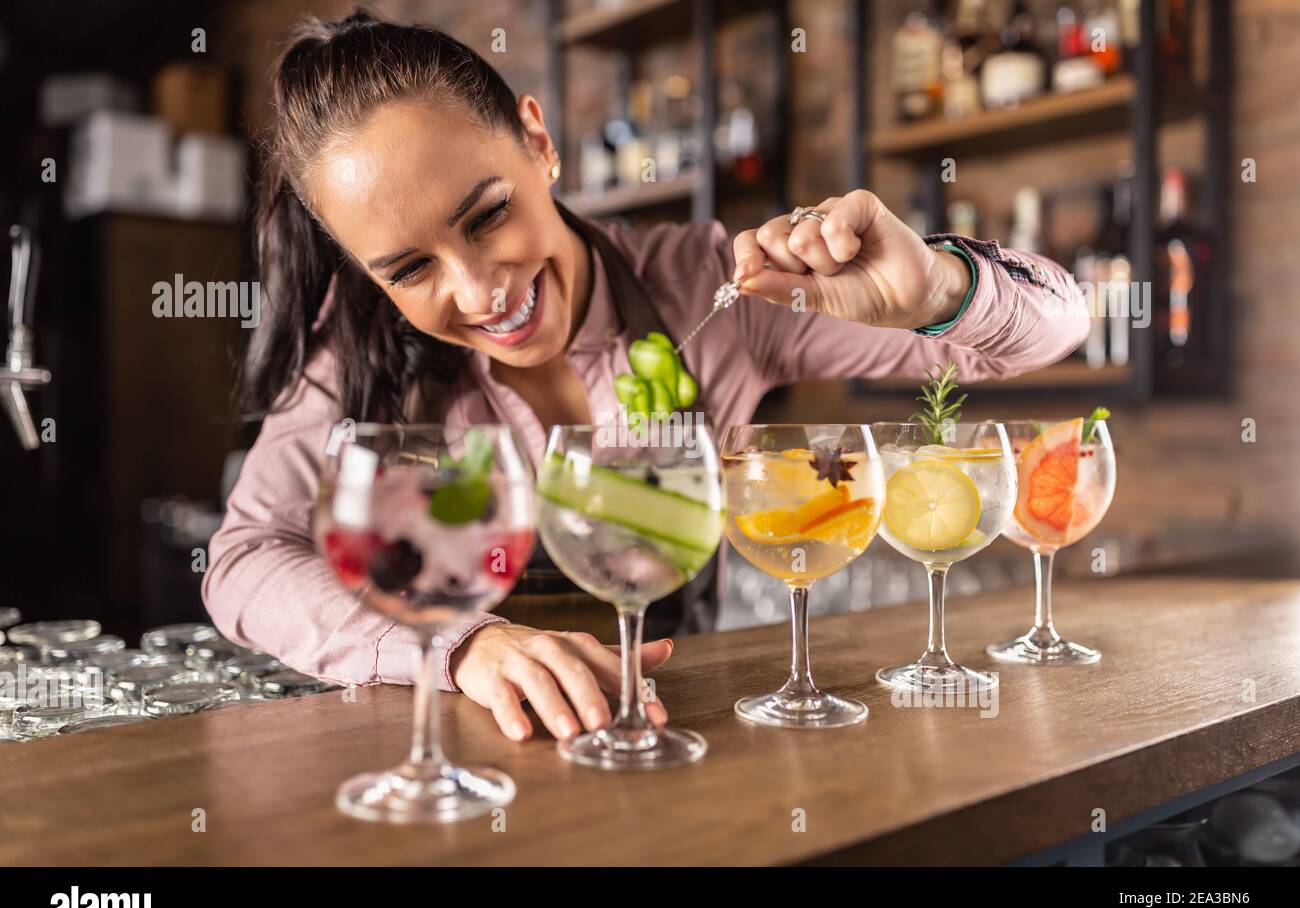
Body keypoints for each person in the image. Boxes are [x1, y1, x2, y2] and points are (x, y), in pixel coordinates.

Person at [203, 11, 1089, 744]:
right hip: (456, 765)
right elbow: (241, 559)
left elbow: (1056, 330)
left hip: (676, 740)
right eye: (407, 270)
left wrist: (933, 286)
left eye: (489, 215)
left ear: (539, 143)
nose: (479, 291)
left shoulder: (717, 291)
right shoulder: (355, 351)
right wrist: (462, 648)